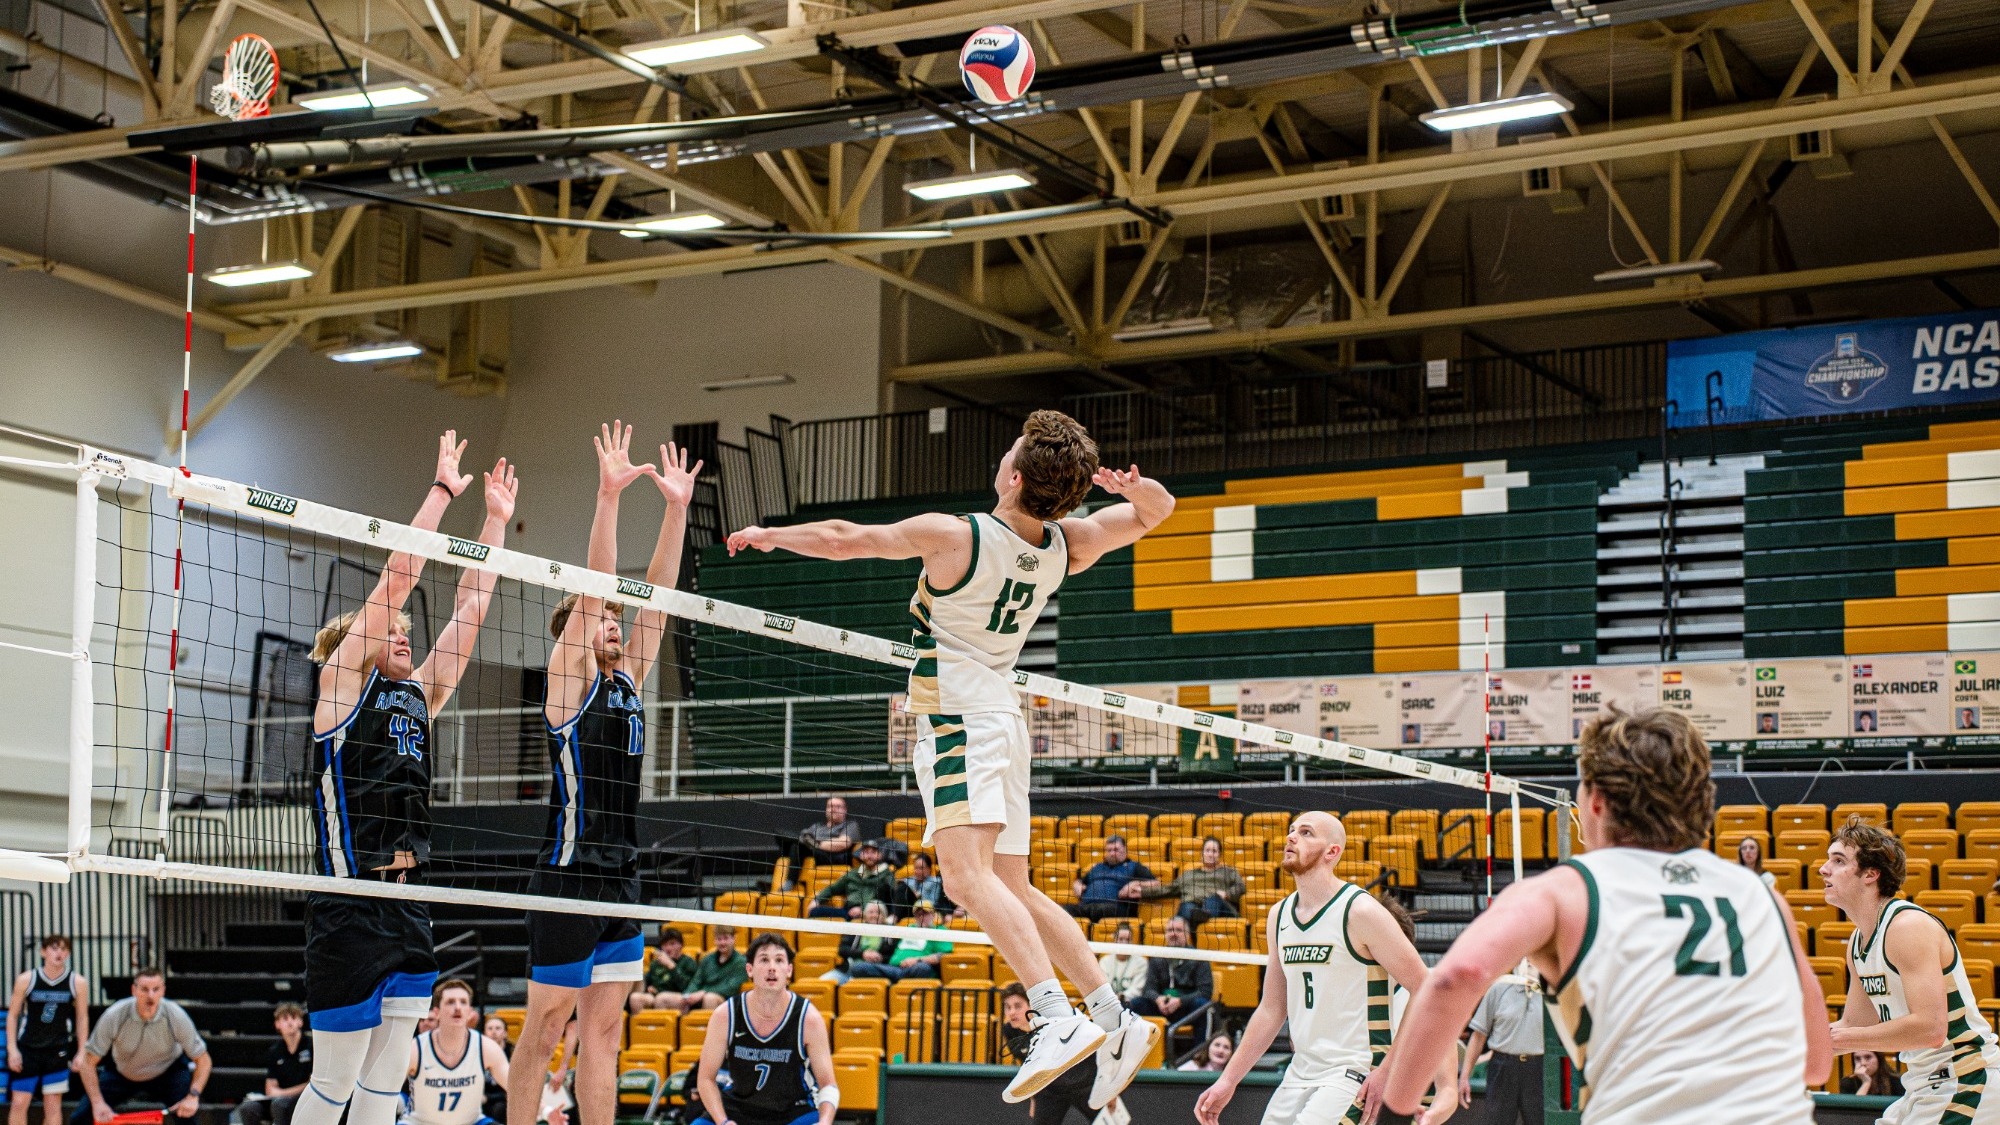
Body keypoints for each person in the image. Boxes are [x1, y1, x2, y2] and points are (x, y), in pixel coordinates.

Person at [727, 410, 1174, 1106]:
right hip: (1004, 715)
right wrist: (1134, 486)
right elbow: (1156, 512)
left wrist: (769, 535)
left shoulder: (957, 534)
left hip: (960, 715)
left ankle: (1055, 1016)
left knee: (965, 882)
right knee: (1013, 888)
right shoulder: (1068, 544)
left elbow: (849, 540)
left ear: (1015, 475)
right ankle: (1115, 1019)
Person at [1375, 707, 1831, 1125]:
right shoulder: (1760, 894)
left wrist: (1397, 1104)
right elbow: (1816, 1062)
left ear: (1595, 802)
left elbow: (1458, 975)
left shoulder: (1565, 889)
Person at [297, 433, 517, 1125]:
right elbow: (399, 577)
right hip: (348, 899)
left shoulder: (421, 694)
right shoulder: (340, 688)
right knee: (334, 1078)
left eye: (402, 629)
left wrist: (495, 525)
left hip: (409, 897)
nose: (402, 632)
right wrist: (443, 492)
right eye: (388, 629)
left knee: (387, 1074)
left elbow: (470, 613)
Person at [513, 425, 696, 1125]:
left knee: (606, 1030)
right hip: (567, 873)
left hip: (621, 871)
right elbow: (596, 585)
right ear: (576, 631)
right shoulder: (570, 680)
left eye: (618, 617)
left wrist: (676, 508)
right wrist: (608, 495)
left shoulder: (630, 680)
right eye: (603, 617)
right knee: (547, 1023)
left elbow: (661, 593)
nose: (614, 620)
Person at [1195, 813, 1456, 1125]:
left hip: (1350, 1073)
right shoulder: (1279, 915)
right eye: (1291, 831)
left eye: (1306, 833)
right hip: (1300, 1071)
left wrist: (1385, 1070)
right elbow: (1271, 1009)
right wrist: (1228, 1080)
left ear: (1332, 852)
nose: (1292, 837)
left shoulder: (1359, 910)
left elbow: (1426, 988)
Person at [1823, 815, 2000, 1125]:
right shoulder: (1858, 943)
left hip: (1965, 1079)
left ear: (1871, 874)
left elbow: (1930, 1028)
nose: (1824, 869)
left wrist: (1837, 1039)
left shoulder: (1907, 926)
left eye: (1838, 861)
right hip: (1924, 1084)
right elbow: (1854, 1025)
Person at [691, 935, 837, 1125]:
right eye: (764, 959)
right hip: (738, 1108)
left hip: (793, 1111)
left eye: (779, 960)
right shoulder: (725, 1015)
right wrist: (723, 1122)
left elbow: (828, 1085)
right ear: (749, 970)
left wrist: (825, 1122)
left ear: (789, 970)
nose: (772, 967)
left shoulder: (809, 1018)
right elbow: (705, 1080)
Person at [70, 968, 212, 1125]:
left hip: (168, 1072)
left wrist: (193, 1096)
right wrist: (97, 1103)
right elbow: (88, 1063)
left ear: (163, 991)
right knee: (80, 1119)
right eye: (144, 989)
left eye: (156, 989)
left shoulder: (176, 1015)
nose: (150, 996)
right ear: (134, 990)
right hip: (122, 1072)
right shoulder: (114, 1015)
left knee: (189, 1118)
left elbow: (203, 1060)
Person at [999, 985, 1125, 1125]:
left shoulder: (1057, 1023)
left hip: (1087, 1085)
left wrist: (1110, 1090)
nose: (1011, 1012)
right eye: (1007, 1007)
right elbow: (1030, 1066)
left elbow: (1104, 1052)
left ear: (1031, 1006)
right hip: (1051, 1090)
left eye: (1017, 1006)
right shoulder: (1010, 1032)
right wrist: (1034, 1097)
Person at [8, 934, 87, 1125]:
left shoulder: (77, 982)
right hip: (28, 1049)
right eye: (54, 948)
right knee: (19, 1103)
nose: (59, 953)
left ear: (68, 954)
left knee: (53, 1106)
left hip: (57, 1050)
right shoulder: (27, 979)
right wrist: (12, 1050)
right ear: (43, 952)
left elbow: (82, 1017)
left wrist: (82, 1051)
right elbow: (12, 1015)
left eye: (63, 949)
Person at [409, 980, 510, 1125]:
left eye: (463, 1002)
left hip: (471, 1121)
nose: (457, 1007)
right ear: (437, 1012)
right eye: (450, 1002)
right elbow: (386, 1090)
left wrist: (546, 1110)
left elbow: (516, 1088)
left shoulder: (486, 1047)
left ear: (469, 1011)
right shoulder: (416, 1048)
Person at [1456, 972, 1543, 1125]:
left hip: (1540, 1068)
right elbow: (1478, 1037)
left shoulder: (1551, 990)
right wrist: (1464, 1077)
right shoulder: (1498, 988)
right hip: (1503, 1067)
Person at [1139, 837, 1245, 927]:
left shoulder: (1228, 872)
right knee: (1186, 905)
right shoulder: (1188, 875)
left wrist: (1227, 894)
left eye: (1214, 851)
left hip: (1219, 908)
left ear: (1219, 855)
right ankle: (1196, 919)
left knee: (1213, 899)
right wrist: (1142, 892)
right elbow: (1167, 889)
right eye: (1207, 851)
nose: (1210, 854)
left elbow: (1240, 887)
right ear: (1201, 854)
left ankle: (1201, 917)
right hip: (1191, 907)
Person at [1129, 917, 1211, 1033]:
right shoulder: (1157, 958)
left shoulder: (1199, 958)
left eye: (1178, 930)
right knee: (1136, 1004)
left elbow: (1205, 992)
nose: (1173, 934)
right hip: (1161, 1008)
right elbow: (1148, 989)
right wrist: (1158, 999)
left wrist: (1180, 1001)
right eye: (1169, 930)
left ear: (1187, 935)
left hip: (1186, 1009)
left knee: (1202, 1005)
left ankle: (1200, 1050)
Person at [234, 1004, 311, 1125]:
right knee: (249, 1108)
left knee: (279, 1104)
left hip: (304, 1099)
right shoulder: (275, 1051)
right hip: (279, 1100)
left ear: (301, 1022)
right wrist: (281, 1095)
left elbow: (311, 1084)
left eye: (294, 1017)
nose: (290, 1022)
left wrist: (282, 1094)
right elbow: (270, 1089)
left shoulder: (311, 1046)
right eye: (285, 1019)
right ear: (277, 1025)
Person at [845, 903, 952, 982]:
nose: (922, 917)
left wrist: (916, 960)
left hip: (915, 968)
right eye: (918, 914)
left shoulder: (939, 930)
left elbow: (941, 956)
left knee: (923, 968)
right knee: (858, 967)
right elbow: (890, 950)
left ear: (933, 915)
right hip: (893, 968)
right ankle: (895, 981)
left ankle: (894, 983)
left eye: (925, 913)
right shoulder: (908, 928)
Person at [781, 798, 867, 885]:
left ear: (845, 810)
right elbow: (804, 836)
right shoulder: (817, 826)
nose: (833, 809)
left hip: (835, 857)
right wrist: (809, 841)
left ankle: (790, 881)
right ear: (826, 810)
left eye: (838, 807)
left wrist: (815, 843)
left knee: (797, 844)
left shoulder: (850, 825)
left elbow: (843, 843)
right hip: (814, 854)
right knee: (786, 837)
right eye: (830, 806)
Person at [1066, 837, 1153, 922]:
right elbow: (1081, 881)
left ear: (1125, 850)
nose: (1112, 853)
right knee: (1063, 911)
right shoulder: (1097, 867)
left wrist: (1135, 883)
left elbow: (1155, 883)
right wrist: (1077, 884)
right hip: (1086, 906)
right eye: (1109, 850)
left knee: (1102, 910)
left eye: (1115, 850)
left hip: (1115, 908)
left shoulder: (1134, 866)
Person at [809, 841, 897, 920]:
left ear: (879, 855)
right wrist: (816, 900)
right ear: (861, 855)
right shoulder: (852, 874)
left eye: (873, 852)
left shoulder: (886, 875)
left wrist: (862, 910)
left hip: (873, 915)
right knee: (815, 911)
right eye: (866, 852)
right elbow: (832, 889)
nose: (869, 856)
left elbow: (891, 898)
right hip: (848, 912)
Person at [820, 903, 895, 986]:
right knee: (823, 982)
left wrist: (879, 957)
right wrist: (862, 954)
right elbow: (842, 949)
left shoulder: (890, 931)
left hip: (876, 972)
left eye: (878, 912)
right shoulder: (856, 929)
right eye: (871, 912)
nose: (874, 915)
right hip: (848, 970)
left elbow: (893, 954)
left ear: (884, 916)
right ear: (865, 915)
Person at [677, 928, 749, 1012]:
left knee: (709, 998)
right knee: (664, 998)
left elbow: (731, 988)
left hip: (727, 1000)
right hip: (701, 996)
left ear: (733, 939)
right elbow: (696, 981)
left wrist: (704, 992)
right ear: (714, 941)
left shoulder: (741, 962)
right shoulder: (707, 959)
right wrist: (687, 995)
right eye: (719, 939)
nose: (722, 943)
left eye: (726, 938)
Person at [629, 928, 698, 1014]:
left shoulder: (688, 962)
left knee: (661, 998)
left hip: (680, 996)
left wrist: (671, 966)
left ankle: (661, 1026)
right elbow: (648, 982)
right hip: (656, 995)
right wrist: (648, 988)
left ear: (681, 945)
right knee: (635, 998)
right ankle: (644, 1026)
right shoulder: (656, 963)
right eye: (665, 945)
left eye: (672, 944)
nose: (668, 948)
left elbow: (687, 987)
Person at [1097, 924, 1148, 1005]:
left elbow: (1137, 990)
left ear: (1132, 942)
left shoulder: (1141, 962)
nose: (1124, 943)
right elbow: (1104, 987)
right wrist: (1113, 998)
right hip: (1109, 1002)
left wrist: (1121, 997)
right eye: (1120, 939)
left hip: (1131, 1003)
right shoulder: (1105, 961)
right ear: (1114, 940)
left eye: (1128, 939)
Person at [892, 854, 945, 919]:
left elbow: (934, 903)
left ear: (929, 869)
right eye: (916, 868)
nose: (918, 871)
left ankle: (895, 917)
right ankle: (895, 916)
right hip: (908, 909)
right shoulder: (908, 880)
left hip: (924, 910)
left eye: (921, 868)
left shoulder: (936, 882)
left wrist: (919, 896)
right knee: (901, 886)